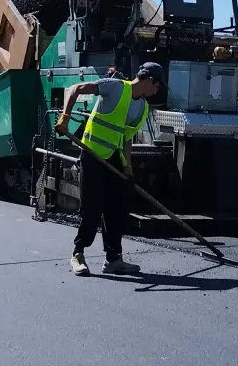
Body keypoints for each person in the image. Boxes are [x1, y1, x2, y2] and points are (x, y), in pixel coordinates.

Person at [55, 62, 165, 276]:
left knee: (116, 210)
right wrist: (64, 118)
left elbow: (126, 138)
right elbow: (74, 89)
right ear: (150, 79)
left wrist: (128, 168)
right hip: (92, 155)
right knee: (92, 209)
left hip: (113, 159)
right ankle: (78, 253)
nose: (157, 91)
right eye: (157, 86)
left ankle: (113, 259)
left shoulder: (142, 107)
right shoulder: (115, 87)